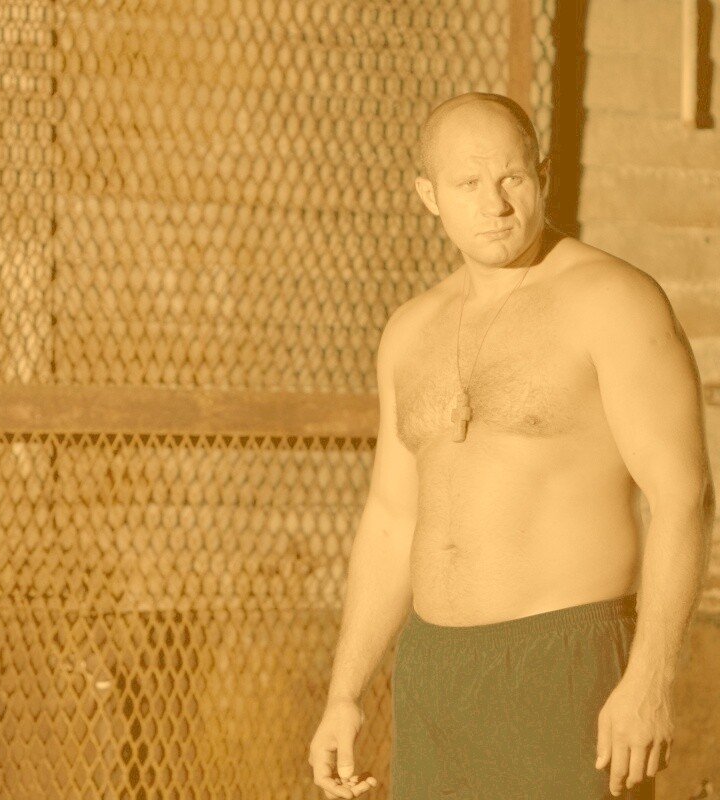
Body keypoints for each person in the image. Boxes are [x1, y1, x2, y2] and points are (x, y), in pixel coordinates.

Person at [307, 92, 716, 800]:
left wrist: (649, 678)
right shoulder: (410, 331)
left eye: (512, 178)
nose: (494, 205)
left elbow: (684, 497)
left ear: (543, 175)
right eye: (468, 183)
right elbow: (392, 518)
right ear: (429, 196)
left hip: (567, 666)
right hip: (436, 675)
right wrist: (344, 692)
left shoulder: (611, 300)